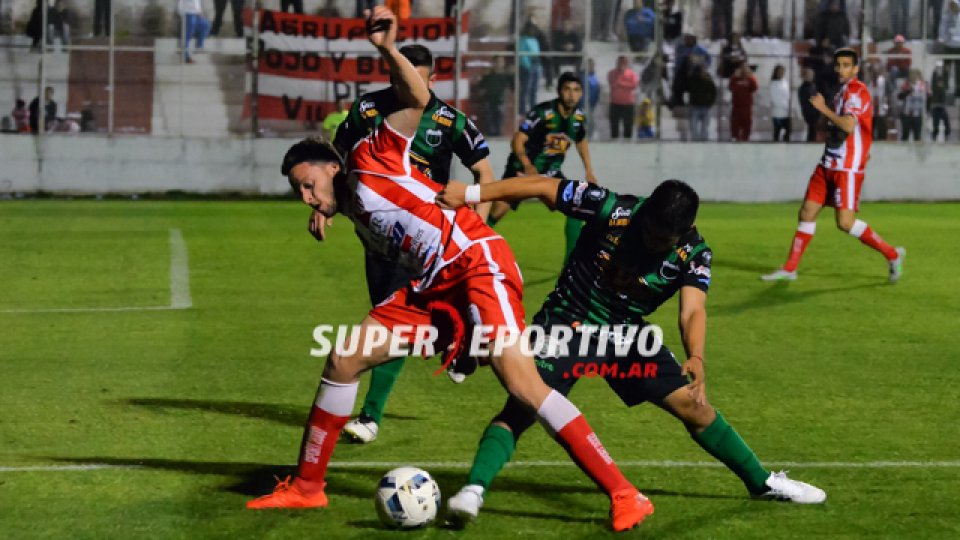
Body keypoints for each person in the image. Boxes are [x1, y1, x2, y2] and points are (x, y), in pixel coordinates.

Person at [246, 9, 655, 532]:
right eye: (297, 191)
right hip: (436, 285)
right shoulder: (343, 199)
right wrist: (320, 206)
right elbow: (351, 204)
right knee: (344, 356)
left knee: (524, 385)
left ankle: (626, 494)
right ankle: (307, 488)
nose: (306, 195)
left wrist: (388, 49)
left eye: (308, 184)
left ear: (332, 165)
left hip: (477, 263)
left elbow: (417, 100)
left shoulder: (371, 153)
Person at [435, 177, 828, 525]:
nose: (652, 242)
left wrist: (697, 356)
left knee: (695, 406)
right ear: (646, 210)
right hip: (566, 323)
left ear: (686, 229)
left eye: (663, 240)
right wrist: (470, 193)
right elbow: (542, 186)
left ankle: (762, 483)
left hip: (626, 336)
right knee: (522, 408)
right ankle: (473, 491)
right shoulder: (613, 208)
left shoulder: (694, 253)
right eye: (650, 232)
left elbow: (692, 310)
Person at [326, 44, 497, 444]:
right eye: (404, 76)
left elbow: (484, 170)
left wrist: (477, 223)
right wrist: (327, 206)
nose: (410, 85)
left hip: (427, 235)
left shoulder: (448, 119)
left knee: (390, 318)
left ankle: (370, 415)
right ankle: (461, 343)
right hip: (377, 236)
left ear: (431, 79)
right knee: (398, 315)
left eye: (418, 78)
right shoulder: (369, 110)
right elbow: (336, 156)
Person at [762, 48, 905, 283]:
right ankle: (790, 268)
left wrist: (823, 109)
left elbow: (848, 125)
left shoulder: (857, 91)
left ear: (856, 69)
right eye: (838, 64)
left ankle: (892, 254)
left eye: (847, 65)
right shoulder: (841, 93)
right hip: (828, 163)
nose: (841, 69)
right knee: (807, 212)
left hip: (846, 168)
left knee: (845, 223)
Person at [487, 72, 597, 265]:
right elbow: (518, 140)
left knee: (575, 208)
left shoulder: (579, 117)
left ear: (581, 94)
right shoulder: (543, 113)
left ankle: (570, 264)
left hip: (551, 173)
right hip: (522, 171)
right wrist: (527, 165)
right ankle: (467, 248)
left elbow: (581, 141)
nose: (572, 95)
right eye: (567, 89)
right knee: (496, 213)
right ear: (559, 91)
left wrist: (589, 170)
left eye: (576, 90)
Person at [476, 56, 513, 137]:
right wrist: (482, 91)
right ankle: (491, 133)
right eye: (497, 62)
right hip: (489, 98)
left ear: (503, 63)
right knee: (489, 116)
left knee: (499, 116)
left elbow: (513, 85)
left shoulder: (506, 75)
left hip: (501, 99)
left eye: (501, 62)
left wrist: (513, 74)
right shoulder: (489, 75)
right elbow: (481, 86)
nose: (499, 64)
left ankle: (498, 133)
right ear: (494, 63)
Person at [608, 56, 639, 140]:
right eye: (620, 62)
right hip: (615, 103)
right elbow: (613, 84)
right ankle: (614, 144)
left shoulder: (631, 73)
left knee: (628, 126)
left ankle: (627, 144)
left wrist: (621, 83)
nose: (622, 64)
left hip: (628, 104)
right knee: (614, 126)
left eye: (624, 62)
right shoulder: (612, 73)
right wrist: (625, 83)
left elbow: (634, 85)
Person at [897, 68, 928, 142]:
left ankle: (917, 152)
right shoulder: (906, 84)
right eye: (912, 75)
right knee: (905, 135)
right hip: (906, 114)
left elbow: (928, 96)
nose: (913, 77)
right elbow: (900, 96)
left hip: (917, 114)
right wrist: (908, 91)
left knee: (917, 136)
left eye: (915, 75)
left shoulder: (923, 85)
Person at [729, 63, 757, 141]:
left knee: (747, 125)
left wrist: (751, 76)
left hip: (747, 107)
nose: (743, 71)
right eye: (742, 69)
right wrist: (735, 76)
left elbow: (755, 88)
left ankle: (745, 139)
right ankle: (736, 138)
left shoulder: (750, 78)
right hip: (737, 106)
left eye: (745, 69)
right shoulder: (735, 78)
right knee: (735, 124)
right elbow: (731, 88)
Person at [688, 66, 716, 141]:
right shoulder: (693, 80)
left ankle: (704, 143)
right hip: (695, 107)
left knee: (704, 129)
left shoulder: (708, 80)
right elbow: (689, 89)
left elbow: (714, 92)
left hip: (705, 107)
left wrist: (710, 103)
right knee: (694, 128)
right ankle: (695, 143)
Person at [940, 0, 960, 98]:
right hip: (948, 46)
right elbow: (942, 29)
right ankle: (944, 88)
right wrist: (943, 38)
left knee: (958, 69)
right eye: (951, 5)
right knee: (946, 69)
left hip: (959, 47)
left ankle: (958, 90)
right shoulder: (946, 16)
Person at [929, 61, 951, 141]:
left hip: (942, 106)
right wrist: (938, 70)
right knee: (936, 123)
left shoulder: (944, 86)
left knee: (946, 123)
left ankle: (946, 134)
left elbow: (946, 82)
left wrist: (946, 72)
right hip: (935, 106)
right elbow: (934, 82)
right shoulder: (935, 85)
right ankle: (934, 135)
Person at [770, 64, 791, 142]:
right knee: (777, 132)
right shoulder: (773, 84)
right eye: (779, 72)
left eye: (782, 72)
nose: (781, 74)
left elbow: (787, 95)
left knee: (787, 132)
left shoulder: (785, 82)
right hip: (778, 113)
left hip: (786, 113)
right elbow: (775, 99)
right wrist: (785, 106)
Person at [798, 68, 820, 142]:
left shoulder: (812, 86)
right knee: (811, 130)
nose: (811, 76)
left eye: (812, 75)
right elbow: (805, 102)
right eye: (809, 75)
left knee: (812, 131)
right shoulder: (803, 88)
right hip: (810, 113)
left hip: (814, 112)